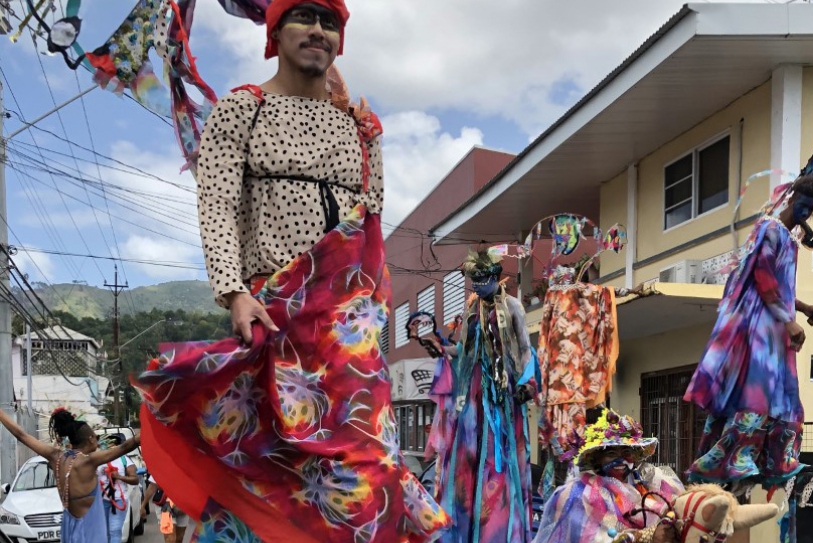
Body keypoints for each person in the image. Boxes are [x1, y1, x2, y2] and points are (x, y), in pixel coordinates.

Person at [132, 1, 449, 541]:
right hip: (273, 311)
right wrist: (233, 293)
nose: (317, 31)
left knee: (368, 470)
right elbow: (217, 203)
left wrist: (374, 314)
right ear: (275, 31)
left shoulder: (362, 126)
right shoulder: (242, 107)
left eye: (330, 22)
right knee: (270, 458)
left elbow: (368, 224)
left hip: (349, 326)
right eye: (303, 16)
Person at [684, 175, 813, 487]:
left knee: (779, 396)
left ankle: (770, 459)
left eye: (811, 208)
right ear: (791, 199)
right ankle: (734, 458)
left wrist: (804, 309)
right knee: (759, 394)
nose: (806, 212)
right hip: (760, 325)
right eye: (802, 205)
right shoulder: (772, 229)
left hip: (773, 324)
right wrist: (789, 321)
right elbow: (763, 279)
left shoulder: (787, 237)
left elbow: (780, 286)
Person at [415, 249, 538, 543]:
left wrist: (527, 383)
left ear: (495, 277)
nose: (477, 285)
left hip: (504, 397)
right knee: (468, 460)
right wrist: (444, 350)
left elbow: (525, 349)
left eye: (482, 278)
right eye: (474, 280)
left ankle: (498, 532)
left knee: (501, 459)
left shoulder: (513, 308)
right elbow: (466, 351)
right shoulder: (471, 314)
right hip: (473, 398)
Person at [532, 408, 683, 543]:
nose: (621, 459)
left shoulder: (650, 480)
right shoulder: (580, 494)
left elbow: (679, 507)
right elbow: (595, 538)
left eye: (626, 452)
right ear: (596, 458)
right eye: (611, 453)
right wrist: (647, 536)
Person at [0, 408, 140, 543]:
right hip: (91, 531)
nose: (98, 441)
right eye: (96, 437)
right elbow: (126, 446)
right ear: (91, 438)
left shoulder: (56, 457)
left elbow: (21, 434)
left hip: (69, 528)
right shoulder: (89, 461)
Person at [99, 433, 140, 543]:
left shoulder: (124, 459)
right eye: (110, 443)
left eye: (116, 444)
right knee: (104, 532)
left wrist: (119, 477)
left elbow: (135, 480)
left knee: (115, 530)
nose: (113, 446)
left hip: (119, 500)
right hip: (101, 500)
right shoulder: (99, 459)